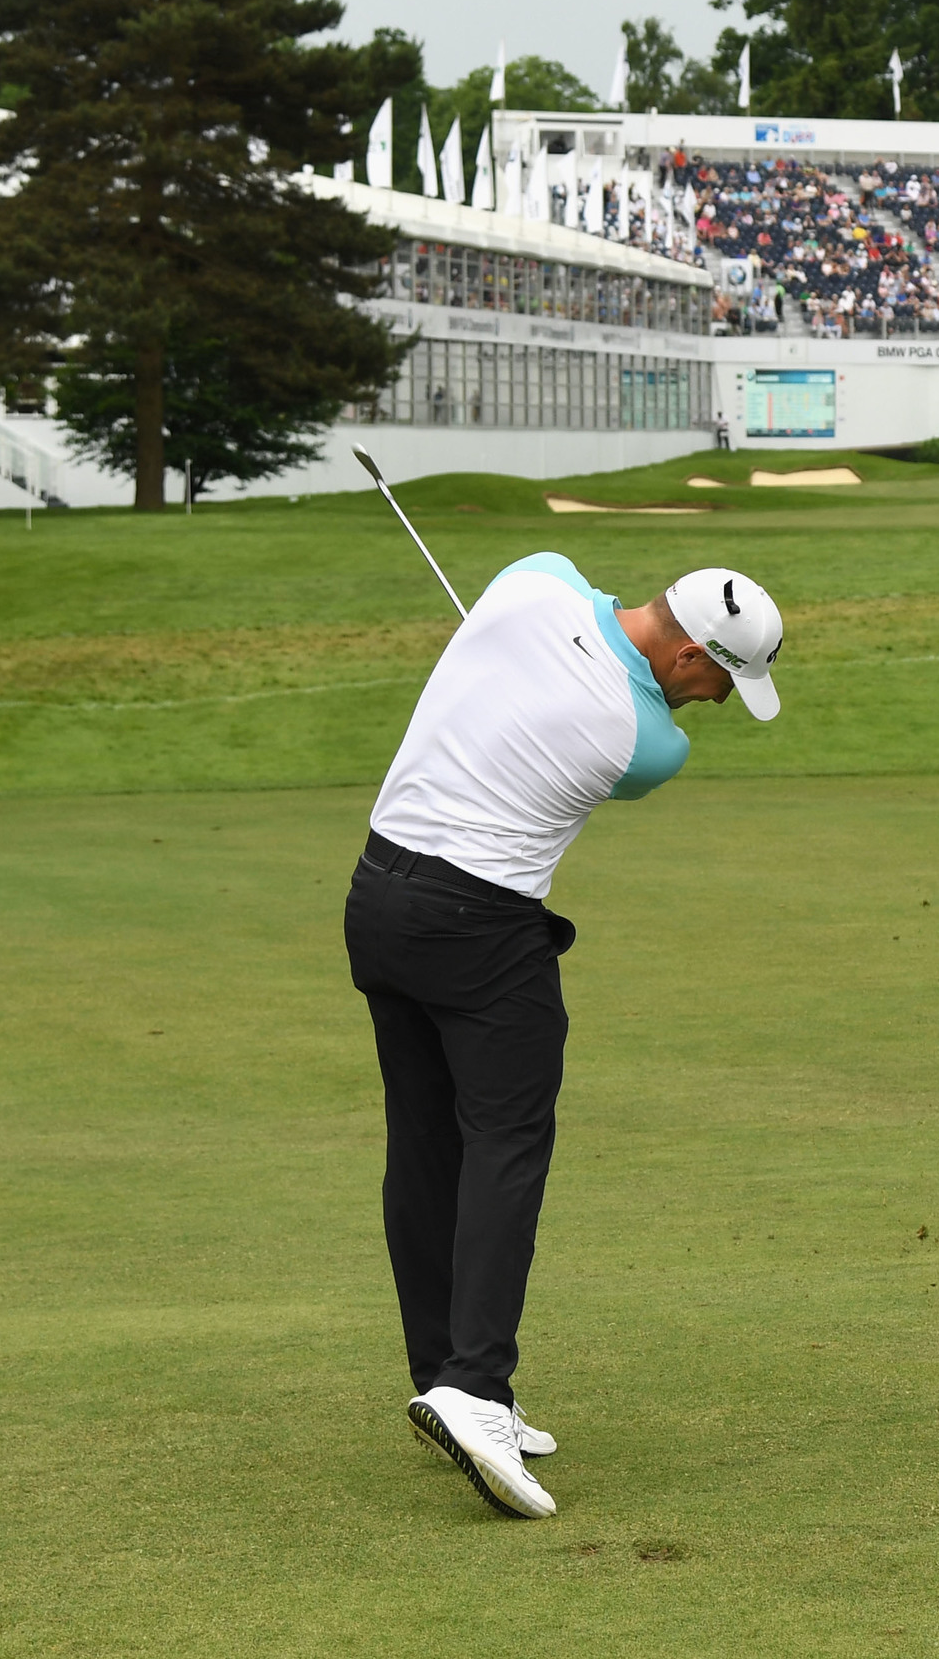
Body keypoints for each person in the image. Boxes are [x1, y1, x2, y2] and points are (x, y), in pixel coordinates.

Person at [347, 556, 787, 1519]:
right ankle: (474, 1391)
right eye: (720, 680)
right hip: (480, 927)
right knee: (508, 1143)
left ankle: (452, 1380)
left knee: (424, 1144)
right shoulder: (644, 744)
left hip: (378, 896)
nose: (715, 702)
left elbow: (551, 586)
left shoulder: (531, 584)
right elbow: (633, 716)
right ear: (684, 657)